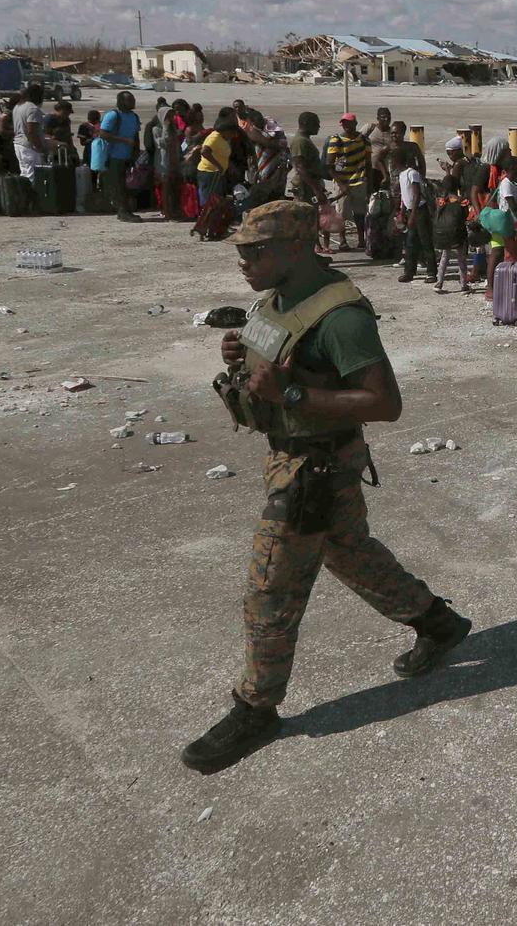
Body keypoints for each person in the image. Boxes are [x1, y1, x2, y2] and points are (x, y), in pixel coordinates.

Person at [182, 199, 471, 774]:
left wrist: (291, 396)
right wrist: (240, 356)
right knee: (351, 554)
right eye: (240, 251)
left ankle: (255, 707)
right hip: (290, 456)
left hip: (315, 469)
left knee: (270, 590)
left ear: (294, 248)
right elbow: (276, 360)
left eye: (254, 250)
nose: (243, 261)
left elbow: (385, 403)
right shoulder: (277, 299)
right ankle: (438, 624)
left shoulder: (342, 318)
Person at [324, 113, 371, 251]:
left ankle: (361, 240)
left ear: (355, 124)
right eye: (344, 123)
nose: (346, 126)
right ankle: (342, 240)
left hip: (359, 180)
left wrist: (370, 185)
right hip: (341, 181)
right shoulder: (336, 140)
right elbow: (329, 165)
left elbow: (368, 163)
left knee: (360, 213)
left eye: (349, 123)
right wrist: (341, 184)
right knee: (341, 214)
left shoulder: (364, 140)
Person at [92, 92, 141, 222]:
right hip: (114, 156)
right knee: (118, 185)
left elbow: (135, 135)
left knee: (126, 185)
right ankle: (123, 212)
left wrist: (135, 152)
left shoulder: (134, 117)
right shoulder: (113, 115)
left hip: (127, 156)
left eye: (133, 99)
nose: (133, 102)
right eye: (130, 100)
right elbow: (103, 134)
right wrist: (124, 140)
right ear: (122, 102)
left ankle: (125, 210)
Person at [395, 141, 432, 283]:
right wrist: (402, 213)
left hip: (419, 211)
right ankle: (409, 272)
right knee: (410, 243)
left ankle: (431, 272)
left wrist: (413, 215)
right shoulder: (402, 175)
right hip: (410, 211)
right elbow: (405, 197)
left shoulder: (412, 174)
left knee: (425, 241)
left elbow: (416, 195)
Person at [195, 108, 240, 210]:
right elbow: (204, 151)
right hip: (209, 172)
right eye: (232, 133)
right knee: (209, 200)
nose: (233, 136)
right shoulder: (214, 137)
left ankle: (214, 223)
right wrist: (219, 166)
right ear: (226, 131)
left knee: (216, 199)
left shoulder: (223, 139)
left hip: (217, 173)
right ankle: (206, 222)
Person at [11, 85, 47, 179]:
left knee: (25, 173)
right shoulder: (33, 109)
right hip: (29, 146)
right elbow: (31, 131)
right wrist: (39, 147)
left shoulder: (18, 107)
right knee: (33, 175)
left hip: (19, 144)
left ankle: (23, 193)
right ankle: (32, 193)